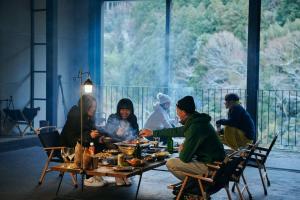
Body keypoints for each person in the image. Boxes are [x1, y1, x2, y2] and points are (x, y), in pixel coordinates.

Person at [140, 96, 225, 192]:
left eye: (178, 111)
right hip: (214, 163)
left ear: (183, 112)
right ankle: (192, 184)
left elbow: (184, 158)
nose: (177, 114)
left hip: (211, 167)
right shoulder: (197, 121)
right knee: (177, 159)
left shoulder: (195, 127)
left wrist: (182, 149)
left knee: (171, 163)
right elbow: (176, 131)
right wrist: (153, 133)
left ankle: (195, 186)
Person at [60, 94, 107, 187]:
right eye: (91, 106)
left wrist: (99, 138)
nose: (94, 109)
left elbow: (91, 131)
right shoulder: (75, 114)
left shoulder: (89, 116)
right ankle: (89, 178)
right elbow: (75, 135)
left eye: (95, 106)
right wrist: (90, 135)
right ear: (85, 106)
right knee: (92, 147)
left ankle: (95, 174)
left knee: (101, 144)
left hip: (83, 141)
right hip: (70, 146)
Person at [104, 98, 139, 186]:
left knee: (131, 149)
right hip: (113, 143)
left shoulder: (133, 118)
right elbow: (107, 132)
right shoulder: (113, 117)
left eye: (127, 110)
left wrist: (134, 137)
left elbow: (136, 132)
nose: (124, 112)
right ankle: (118, 176)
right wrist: (116, 133)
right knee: (120, 151)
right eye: (122, 109)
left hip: (127, 144)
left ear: (131, 110)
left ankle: (126, 175)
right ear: (119, 110)